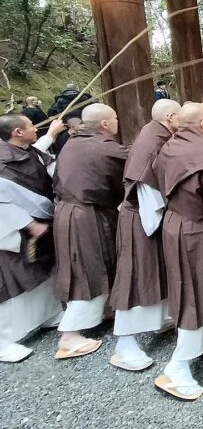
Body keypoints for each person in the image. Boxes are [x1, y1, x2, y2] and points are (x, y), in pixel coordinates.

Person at [152, 102, 203, 400]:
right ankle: (177, 368)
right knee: (197, 293)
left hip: (175, 223)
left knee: (190, 289)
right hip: (195, 230)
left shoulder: (170, 146)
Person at [108, 99, 181, 372]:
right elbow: (147, 190)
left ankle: (163, 317)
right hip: (143, 217)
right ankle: (124, 345)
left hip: (148, 216)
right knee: (138, 277)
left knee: (157, 274)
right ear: (172, 117)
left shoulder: (155, 134)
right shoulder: (153, 143)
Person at [52, 104, 127, 359]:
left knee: (95, 264)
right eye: (115, 118)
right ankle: (69, 336)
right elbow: (137, 164)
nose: (117, 121)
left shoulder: (72, 143)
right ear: (105, 124)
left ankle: (105, 309)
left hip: (67, 211)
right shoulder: (104, 147)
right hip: (85, 215)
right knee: (87, 270)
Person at [0, 115, 65, 362]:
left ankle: (47, 314)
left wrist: (53, 135)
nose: (36, 128)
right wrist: (29, 224)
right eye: (31, 126)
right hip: (11, 230)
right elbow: (2, 199)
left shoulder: (19, 150)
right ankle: (3, 341)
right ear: (17, 132)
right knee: (11, 280)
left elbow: (32, 156)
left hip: (33, 222)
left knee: (42, 270)